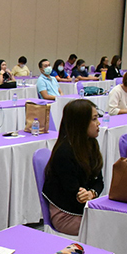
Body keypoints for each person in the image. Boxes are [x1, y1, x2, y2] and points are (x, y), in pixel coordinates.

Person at [42, 99, 103, 236]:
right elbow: (72, 194)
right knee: (109, 228)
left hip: (85, 208)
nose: (98, 123)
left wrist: (92, 193)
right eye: (94, 119)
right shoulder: (64, 152)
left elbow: (99, 181)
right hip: (66, 214)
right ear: (81, 122)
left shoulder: (91, 144)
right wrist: (85, 197)